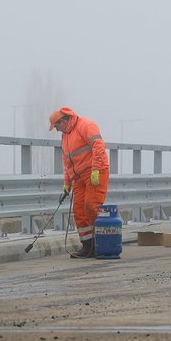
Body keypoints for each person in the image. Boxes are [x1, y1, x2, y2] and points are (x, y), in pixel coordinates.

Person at [49, 106, 109, 258]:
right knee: (79, 211)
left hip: (95, 171)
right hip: (79, 177)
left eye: (56, 126)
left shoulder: (85, 125)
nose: (56, 130)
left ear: (63, 121)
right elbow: (67, 161)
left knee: (91, 206)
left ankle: (103, 242)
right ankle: (88, 247)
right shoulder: (65, 136)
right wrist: (67, 183)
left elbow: (98, 146)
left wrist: (96, 169)